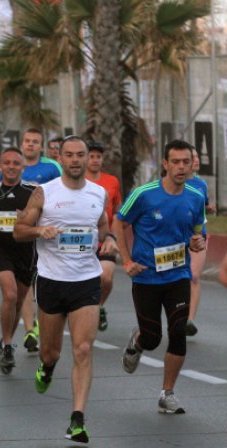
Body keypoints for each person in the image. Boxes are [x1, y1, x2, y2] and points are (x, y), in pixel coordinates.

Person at [13, 136, 117, 443]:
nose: (75, 160)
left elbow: (102, 226)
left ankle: (77, 419)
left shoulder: (98, 193)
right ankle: (46, 368)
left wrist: (108, 239)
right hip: (51, 281)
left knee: (83, 349)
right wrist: (38, 230)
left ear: (88, 159)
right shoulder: (45, 193)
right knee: (51, 351)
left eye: (80, 155)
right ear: (60, 158)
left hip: (86, 280)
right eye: (69, 155)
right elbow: (19, 231)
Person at [114, 139, 206, 416]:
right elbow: (119, 222)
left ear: (191, 165)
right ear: (164, 164)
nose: (180, 167)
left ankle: (167, 393)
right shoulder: (144, 194)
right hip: (146, 277)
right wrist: (127, 260)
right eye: (175, 162)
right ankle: (138, 343)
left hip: (178, 274)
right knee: (153, 338)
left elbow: (198, 229)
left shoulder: (196, 196)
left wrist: (197, 241)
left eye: (185, 162)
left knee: (178, 332)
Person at [0, 148, 36, 374]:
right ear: (0, 167)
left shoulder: (33, 193)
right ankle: (7, 346)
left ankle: (6, 340)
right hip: (0, 249)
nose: (12, 166)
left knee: (18, 301)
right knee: (10, 294)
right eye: (7, 162)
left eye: (16, 163)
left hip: (26, 253)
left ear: (22, 167)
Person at [18, 128, 62, 352]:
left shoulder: (52, 167)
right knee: (26, 280)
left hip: (46, 232)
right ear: (22, 143)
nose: (31, 145)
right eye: (27, 141)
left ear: (41, 146)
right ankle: (29, 329)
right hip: (22, 230)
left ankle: (43, 323)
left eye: (35, 142)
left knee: (41, 280)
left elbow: (64, 192)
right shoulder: (14, 164)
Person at [85, 142, 122, 331]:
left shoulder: (112, 181)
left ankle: (99, 307)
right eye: (91, 156)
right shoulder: (78, 180)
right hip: (82, 238)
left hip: (104, 237)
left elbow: (117, 212)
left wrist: (113, 236)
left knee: (106, 277)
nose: (94, 160)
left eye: (98, 157)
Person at [184, 149, 217, 336]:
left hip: (198, 235)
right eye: (192, 158)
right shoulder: (170, 184)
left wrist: (208, 209)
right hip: (175, 237)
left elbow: (202, 206)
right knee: (177, 278)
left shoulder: (201, 184)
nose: (196, 160)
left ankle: (189, 319)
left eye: (197, 157)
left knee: (194, 276)